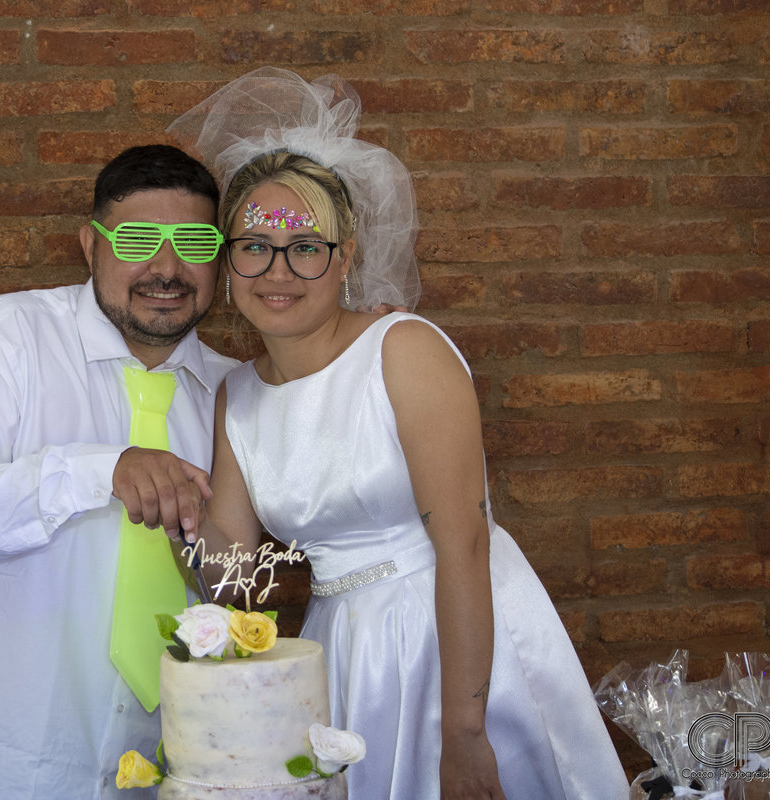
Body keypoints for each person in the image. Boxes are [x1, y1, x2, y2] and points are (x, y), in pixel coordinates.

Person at [168, 68, 630, 800]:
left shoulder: (403, 350)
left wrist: (464, 732)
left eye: (306, 247)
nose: (277, 270)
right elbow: (233, 577)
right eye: (255, 245)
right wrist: (179, 509)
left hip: (452, 639)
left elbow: (464, 544)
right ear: (229, 259)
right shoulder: (239, 398)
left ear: (346, 256)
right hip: (346, 650)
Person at [0, 144, 239, 799]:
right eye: (138, 239)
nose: (167, 267)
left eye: (194, 242)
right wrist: (102, 468)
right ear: (90, 244)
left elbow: (233, 579)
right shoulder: (3, 339)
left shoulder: (231, 395)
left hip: (137, 771)